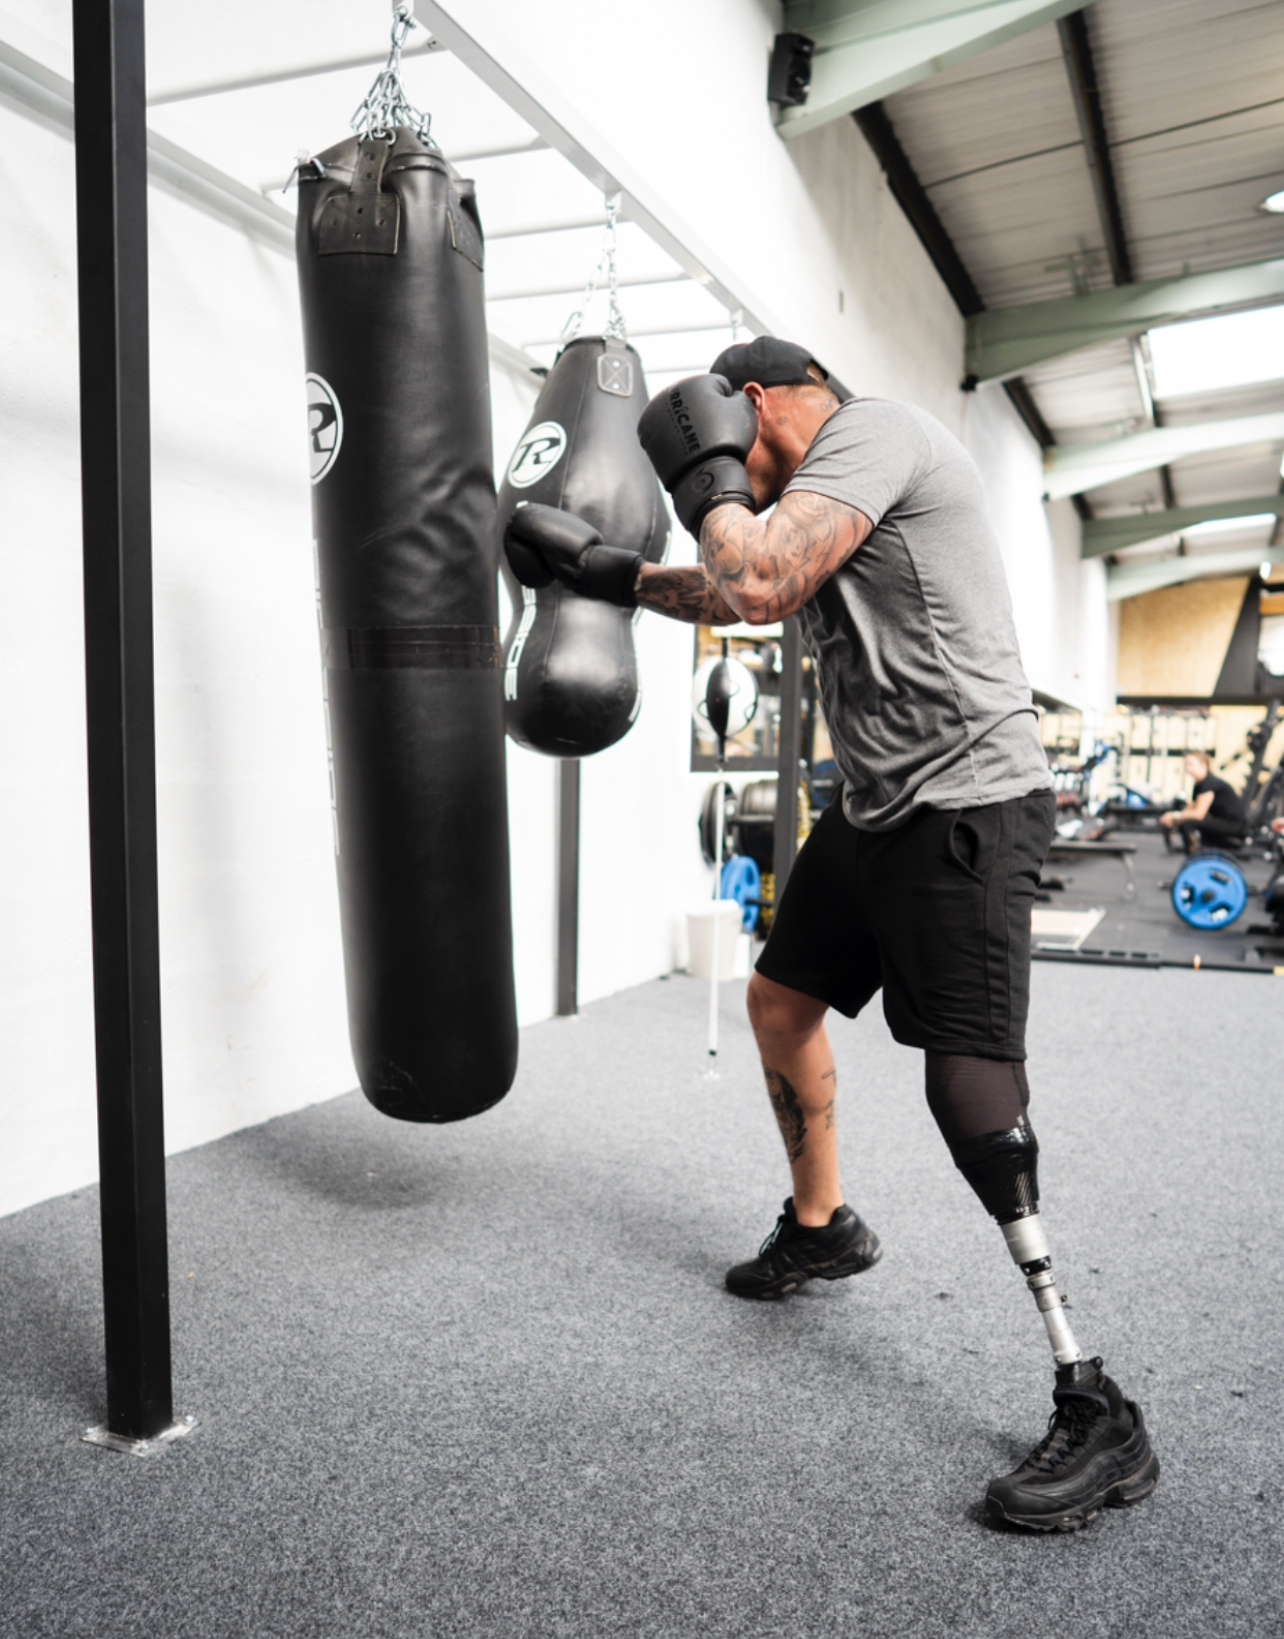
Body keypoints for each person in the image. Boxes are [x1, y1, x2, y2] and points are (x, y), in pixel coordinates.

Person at [502, 336, 1159, 1532]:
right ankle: (823, 1225)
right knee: (780, 998)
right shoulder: (817, 506)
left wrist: (705, 489)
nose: (725, 487)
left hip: (967, 801)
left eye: (722, 451)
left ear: (747, 406)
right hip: (874, 807)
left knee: (967, 1086)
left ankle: (1095, 1396)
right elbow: (739, 593)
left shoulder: (876, 431)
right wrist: (607, 571)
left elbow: (755, 580)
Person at [1159, 751, 1248, 851]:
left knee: (1188, 823)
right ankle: (1197, 852)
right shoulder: (1200, 784)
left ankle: (1193, 854)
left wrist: (1175, 816)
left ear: (1203, 765)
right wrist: (1176, 819)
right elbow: (1192, 808)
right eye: (1186, 765)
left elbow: (1199, 814)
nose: (1187, 768)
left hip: (1234, 825)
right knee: (1186, 821)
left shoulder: (1209, 783)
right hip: (1226, 822)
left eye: (1190, 764)